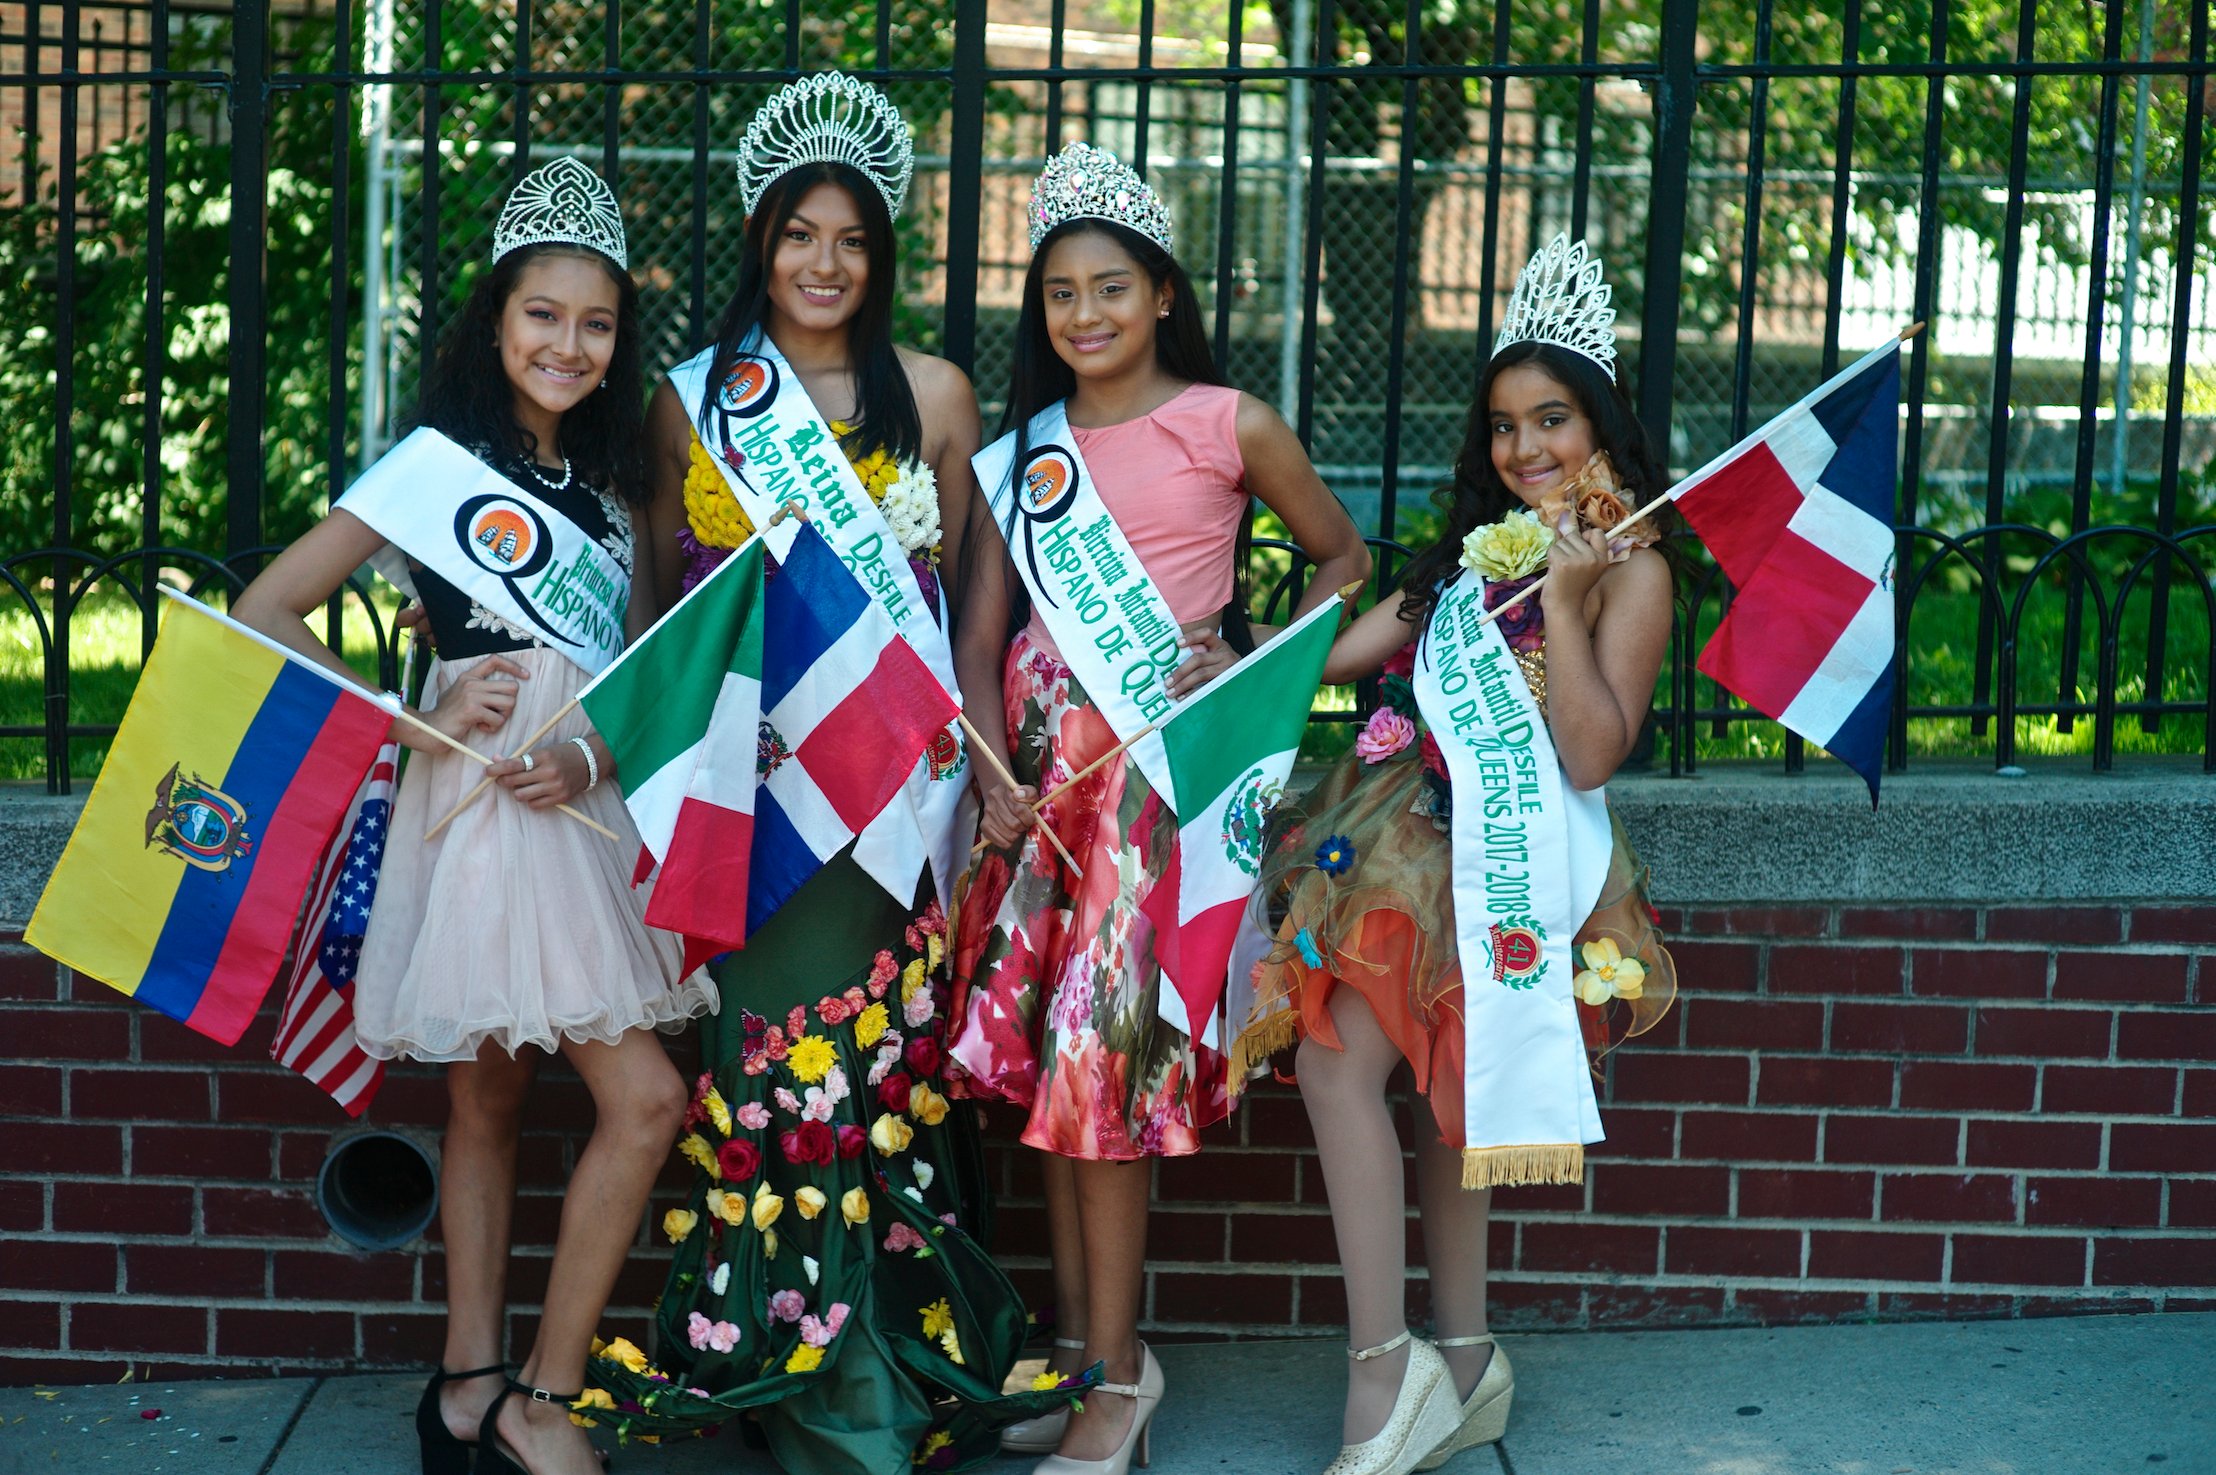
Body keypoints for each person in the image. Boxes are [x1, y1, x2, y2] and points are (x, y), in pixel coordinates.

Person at [234, 159, 708, 1475]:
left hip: (579, 796)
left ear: (618, 347)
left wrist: (600, 747)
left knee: (626, 1097)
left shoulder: (621, 491)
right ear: (498, 320)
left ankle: (522, 1394)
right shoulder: (432, 469)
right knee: (507, 1103)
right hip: (478, 793)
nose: (568, 343)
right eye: (543, 316)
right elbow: (271, 605)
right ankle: (485, 1386)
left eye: (596, 324)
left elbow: (654, 659)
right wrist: (398, 712)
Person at [615, 72, 1059, 1475]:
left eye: (851, 240)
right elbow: (648, 617)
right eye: (799, 234)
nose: (823, 262)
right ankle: (789, 1375)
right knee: (766, 1074)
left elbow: (973, 607)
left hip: (888, 796)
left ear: (881, 258)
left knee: (874, 1069)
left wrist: (989, 770)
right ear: (763, 243)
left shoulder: (931, 392)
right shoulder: (689, 404)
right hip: (747, 799)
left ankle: (887, 1369)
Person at [948, 141, 1372, 1475]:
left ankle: (1116, 1384)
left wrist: (1255, 664)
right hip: (1040, 783)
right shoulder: (1024, 453)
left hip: (1153, 787)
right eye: (1062, 292)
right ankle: (1098, 1361)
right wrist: (987, 770)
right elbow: (978, 632)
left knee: (1099, 1069)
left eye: (1112, 287)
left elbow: (1344, 558)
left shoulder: (1228, 421)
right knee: (1051, 1081)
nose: (1086, 314)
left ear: (1164, 295)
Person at [1229, 234, 1679, 1475]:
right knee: (1389, 1085)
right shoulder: (1473, 560)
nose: (1525, 449)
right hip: (1401, 845)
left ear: (1600, 430)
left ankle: (1409, 1370)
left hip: (1518, 863)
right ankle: (1448, 1361)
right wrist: (1238, 660)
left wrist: (1573, 602)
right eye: (1502, 426)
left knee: (1404, 1090)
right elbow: (1343, 647)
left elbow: (1589, 752)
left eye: (1552, 420)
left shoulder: (1633, 575)